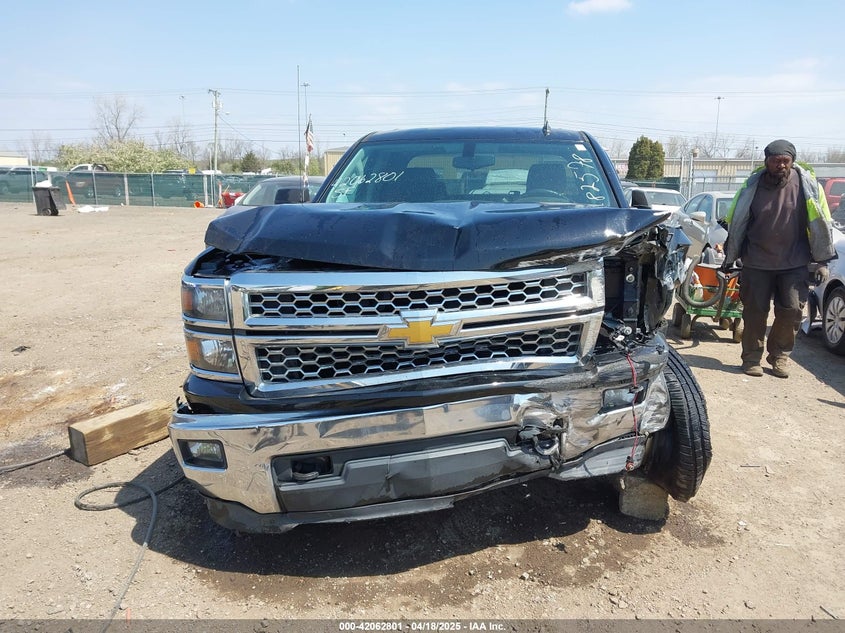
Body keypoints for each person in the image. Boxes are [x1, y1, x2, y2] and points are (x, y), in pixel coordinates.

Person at [722, 139, 835, 378]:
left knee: (792, 310)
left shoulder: (808, 186)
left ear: (792, 162)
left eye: (785, 161)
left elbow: (822, 222)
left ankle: (779, 356)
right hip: (756, 261)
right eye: (775, 161)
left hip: (794, 262)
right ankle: (751, 358)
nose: (780, 166)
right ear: (766, 162)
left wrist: (823, 259)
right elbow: (736, 219)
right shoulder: (751, 185)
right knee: (754, 312)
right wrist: (732, 256)